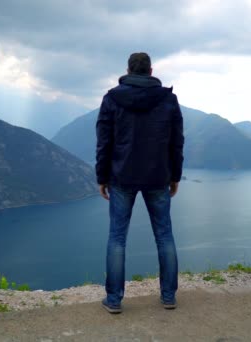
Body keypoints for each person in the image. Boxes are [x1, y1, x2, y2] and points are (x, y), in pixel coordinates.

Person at [95, 52, 184, 314]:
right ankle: (168, 296)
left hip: (122, 177)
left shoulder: (112, 99)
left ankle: (114, 301)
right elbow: (176, 142)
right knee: (164, 235)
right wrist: (175, 175)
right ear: (150, 70)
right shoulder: (168, 100)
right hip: (158, 176)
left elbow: (104, 143)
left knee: (117, 238)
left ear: (129, 70)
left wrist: (102, 177)